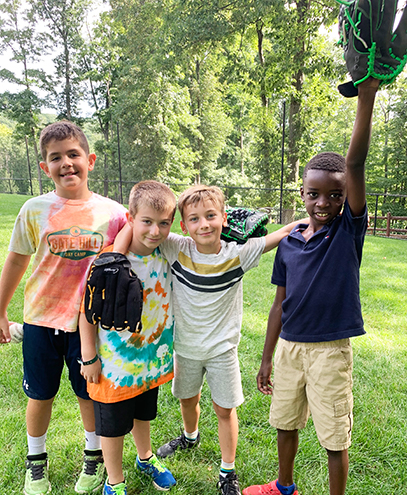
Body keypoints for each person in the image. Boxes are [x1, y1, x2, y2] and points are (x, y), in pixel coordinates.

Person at [114, 184, 305, 495]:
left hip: (222, 351)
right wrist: (113, 258)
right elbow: (132, 224)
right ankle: (190, 436)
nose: (203, 224)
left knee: (224, 409)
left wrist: (314, 221)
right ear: (183, 225)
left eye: (211, 216)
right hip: (185, 349)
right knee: (187, 400)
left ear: (224, 218)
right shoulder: (176, 247)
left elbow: (280, 234)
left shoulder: (239, 255)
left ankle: (227, 471)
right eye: (194, 219)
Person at [242, 77, 380, 495]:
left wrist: (368, 96)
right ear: (302, 193)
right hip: (289, 349)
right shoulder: (289, 243)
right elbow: (278, 305)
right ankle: (284, 486)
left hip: (329, 354)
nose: (324, 203)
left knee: (334, 438)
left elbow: (354, 165)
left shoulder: (346, 234)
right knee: (284, 423)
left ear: (345, 198)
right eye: (314, 194)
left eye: (335, 196)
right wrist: (267, 357)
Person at [0, 121, 128, 495]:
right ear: (45, 167)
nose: (66, 163)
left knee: (88, 394)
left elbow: (141, 251)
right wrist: (1, 310)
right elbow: (15, 262)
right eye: (56, 158)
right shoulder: (34, 209)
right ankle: (35, 464)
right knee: (39, 394)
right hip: (41, 318)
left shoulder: (113, 213)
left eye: (73, 155)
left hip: (90, 324)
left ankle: (94, 457)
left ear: (89, 160)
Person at [79, 180, 177, 495]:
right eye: (146, 221)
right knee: (113, 425)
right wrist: (89, 357)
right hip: (113, 365)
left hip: (150, 359)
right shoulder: (110, 262)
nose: (155, 231)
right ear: (130, 219)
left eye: (164, 223)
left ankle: (146, 458)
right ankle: (114, 480)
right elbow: (86, 313)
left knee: (143, 413)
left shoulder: (165, 255)